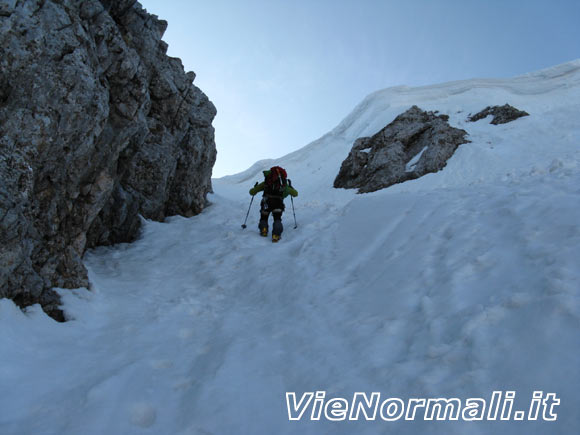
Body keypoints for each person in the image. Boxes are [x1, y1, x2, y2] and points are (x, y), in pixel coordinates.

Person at [249, 166, 298, 242]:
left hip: (266, 202)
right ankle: (276, 235)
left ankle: (264, 230)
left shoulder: (266, 181)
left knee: (264, 217)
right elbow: (295, 194)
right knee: (277, 218)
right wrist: (291, 188)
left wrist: (254, 188)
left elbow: (252, 192)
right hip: (278, 203)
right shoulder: (283, 183)